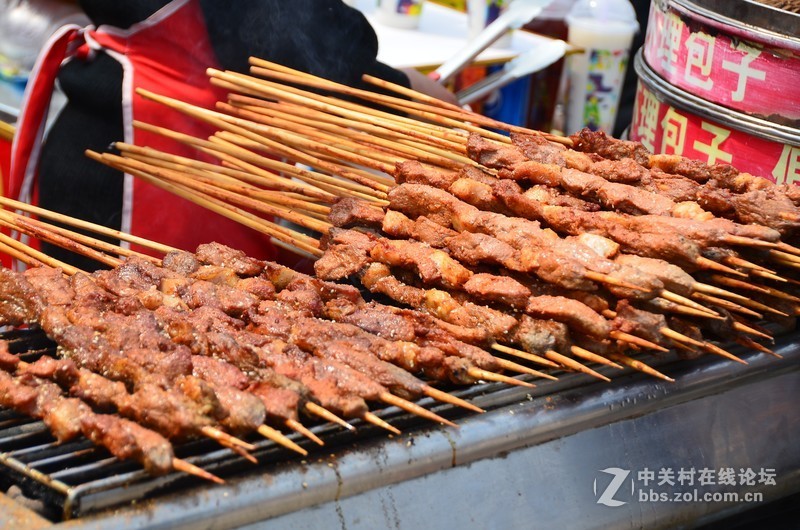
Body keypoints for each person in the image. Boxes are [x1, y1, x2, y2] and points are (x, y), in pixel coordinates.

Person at [8, 0, 453, 270]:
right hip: (161, 158)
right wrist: (402, 90)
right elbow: (288, 34)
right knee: (158, 333)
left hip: (112, 130)